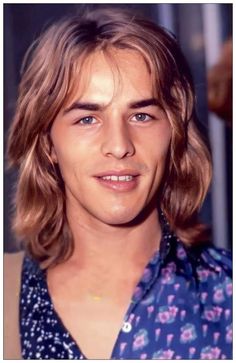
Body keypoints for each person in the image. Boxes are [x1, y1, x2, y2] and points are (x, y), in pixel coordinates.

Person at [4, 8, 232, 360]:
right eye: (87, 119)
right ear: (48, 142)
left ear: (174, 134)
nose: (119, 145)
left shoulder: (227, 294)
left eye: (141, 115)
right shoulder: (6, 295)